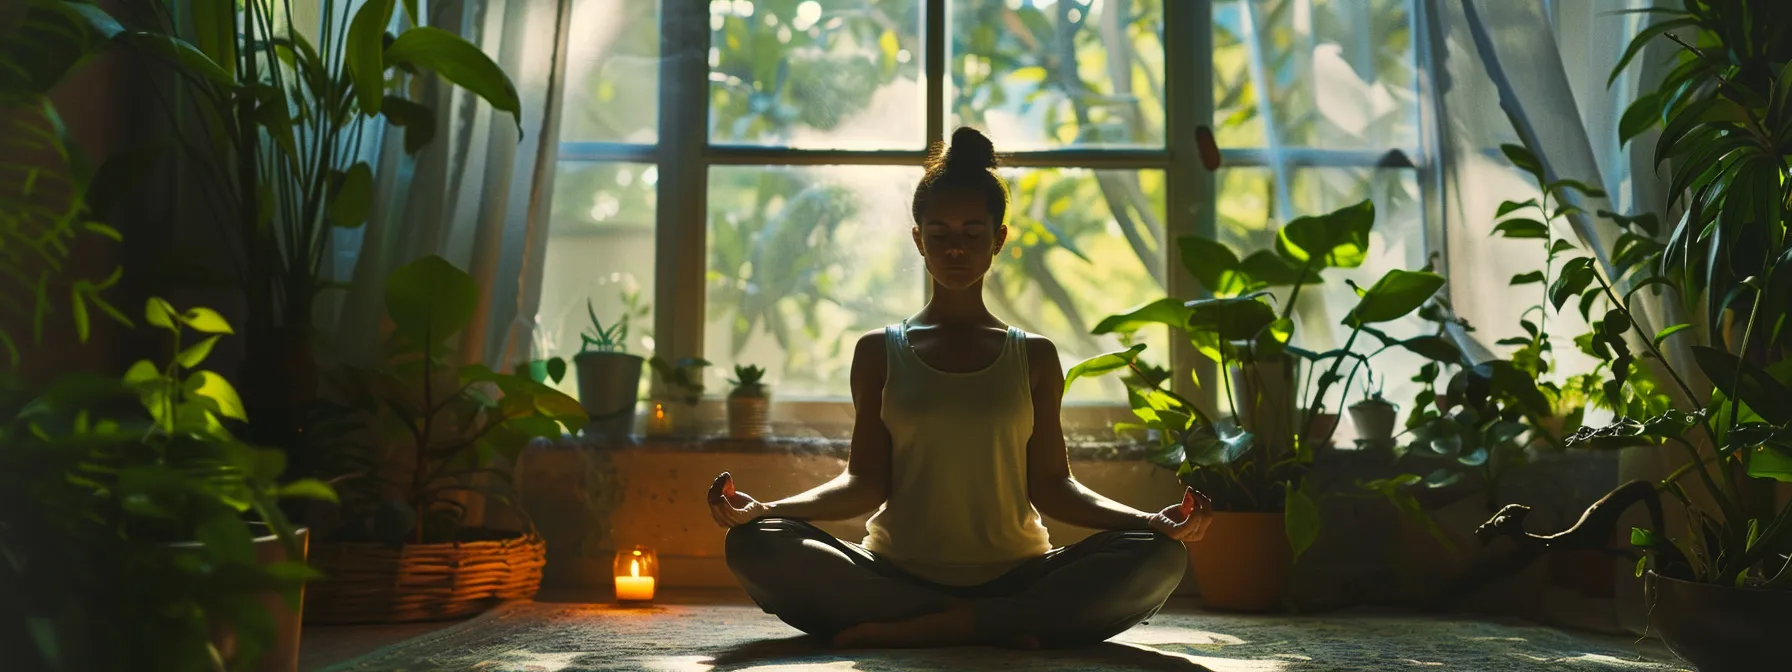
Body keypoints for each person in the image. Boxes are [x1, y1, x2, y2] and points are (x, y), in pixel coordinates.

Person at [707, 127, 1214, 650]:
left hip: (1019, 573)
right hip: (892, 575)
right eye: (940, 233)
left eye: (973, 234)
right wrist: (765, 511)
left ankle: (940, 626)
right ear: (917, 238)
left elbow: (1053, 486)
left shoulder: (1033, 355)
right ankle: (995, 623)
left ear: (998, 240)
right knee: (754, 544)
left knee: (1159, 555)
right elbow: (862, 483)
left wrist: (1150, 520)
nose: (955, 249)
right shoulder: (879, 351)